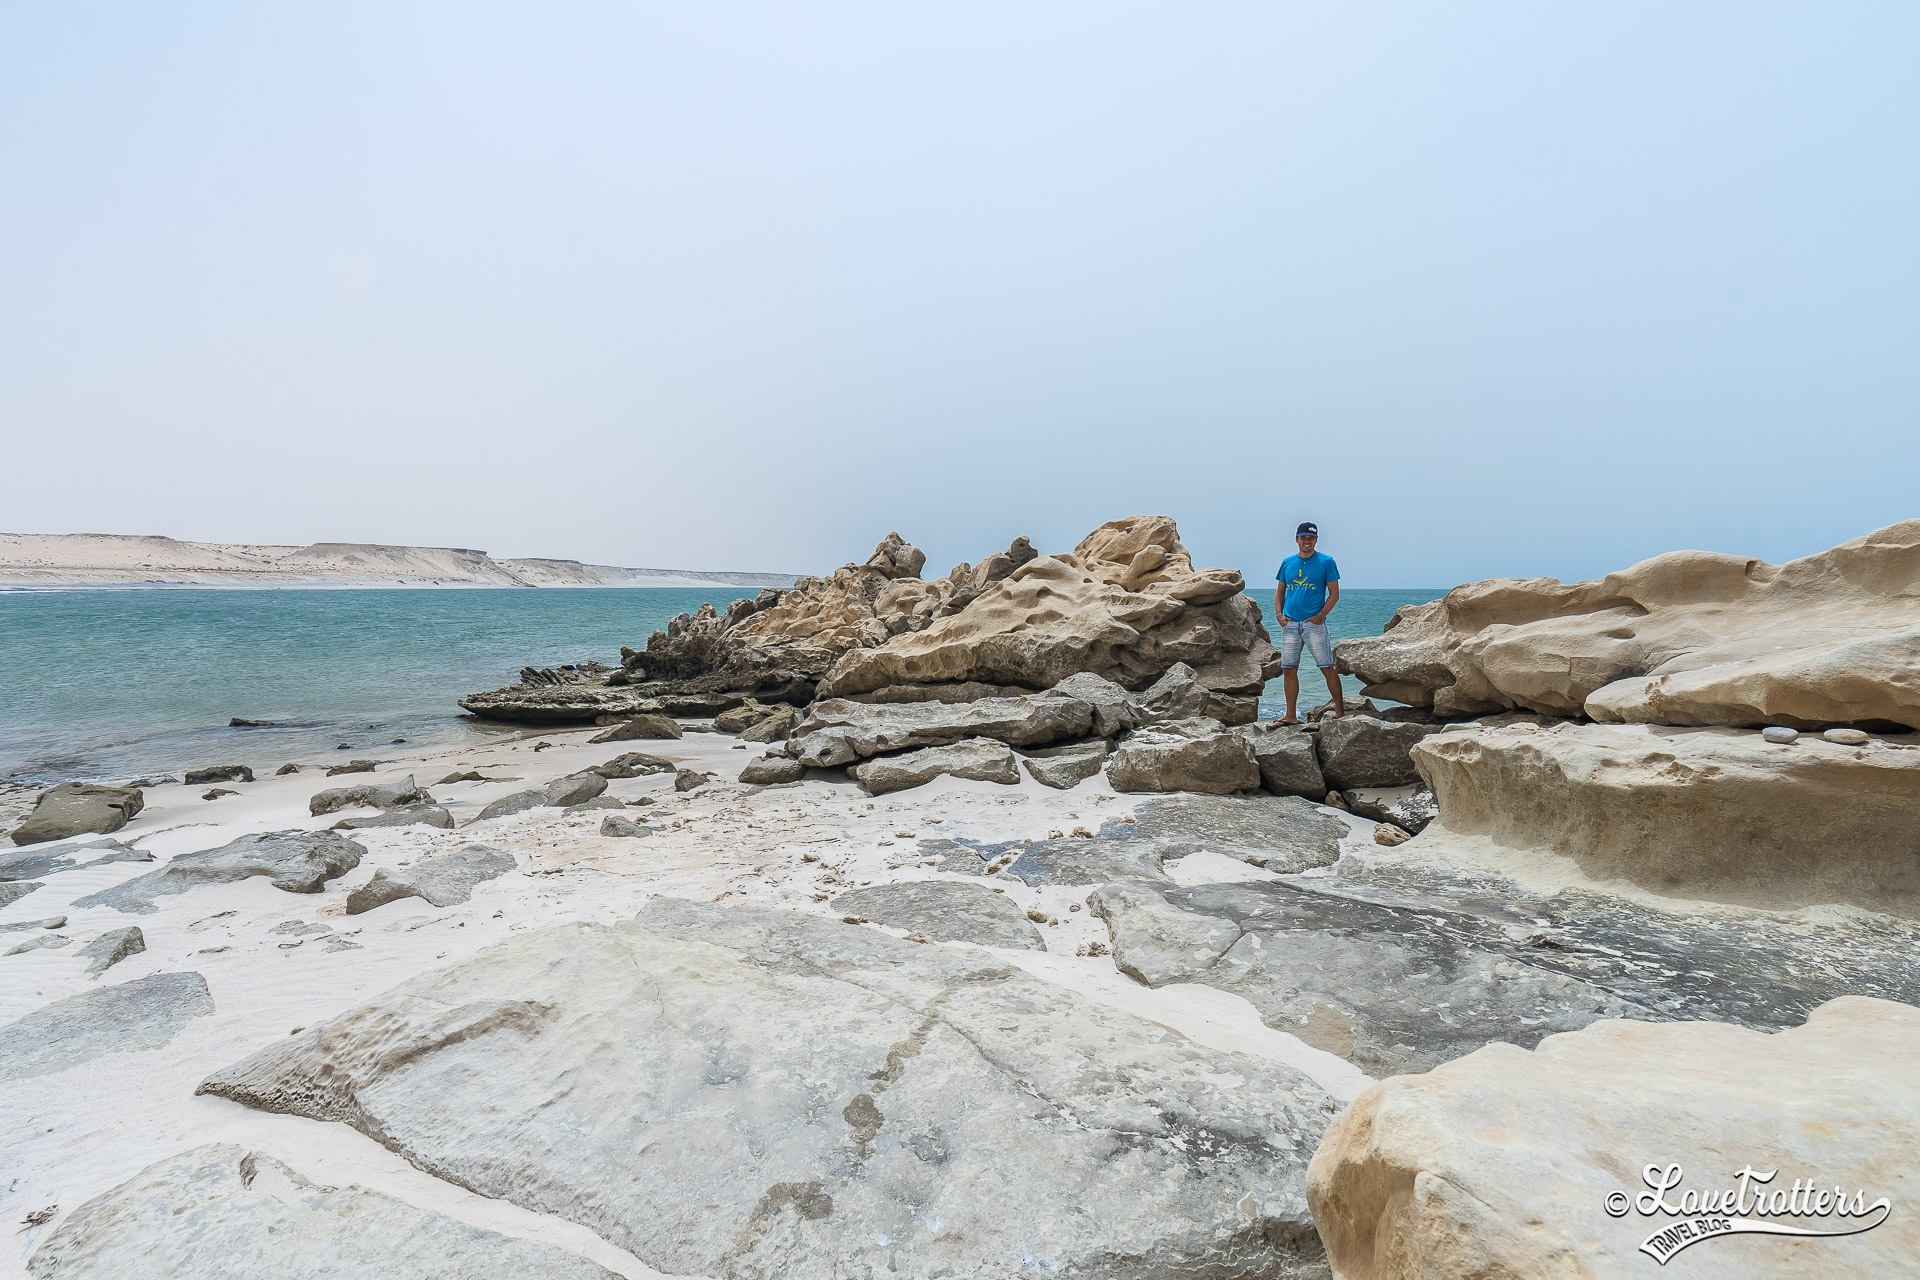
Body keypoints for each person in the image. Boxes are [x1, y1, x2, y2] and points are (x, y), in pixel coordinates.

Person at [1268, 521, 1343, 726]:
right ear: (1296, 539)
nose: (1306, 541)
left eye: (1310, 538)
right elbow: (1280, 591)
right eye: (1303, 537)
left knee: (1327, 666)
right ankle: (1290, 715)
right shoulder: (1287, 563)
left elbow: (1334, 594)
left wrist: (1320, 616)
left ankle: (1339, 713)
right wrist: (1278, 614)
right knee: (1288, 669)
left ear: (1316, 540)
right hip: (1290, 625)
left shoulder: (1326, 562)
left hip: (1314, 625)